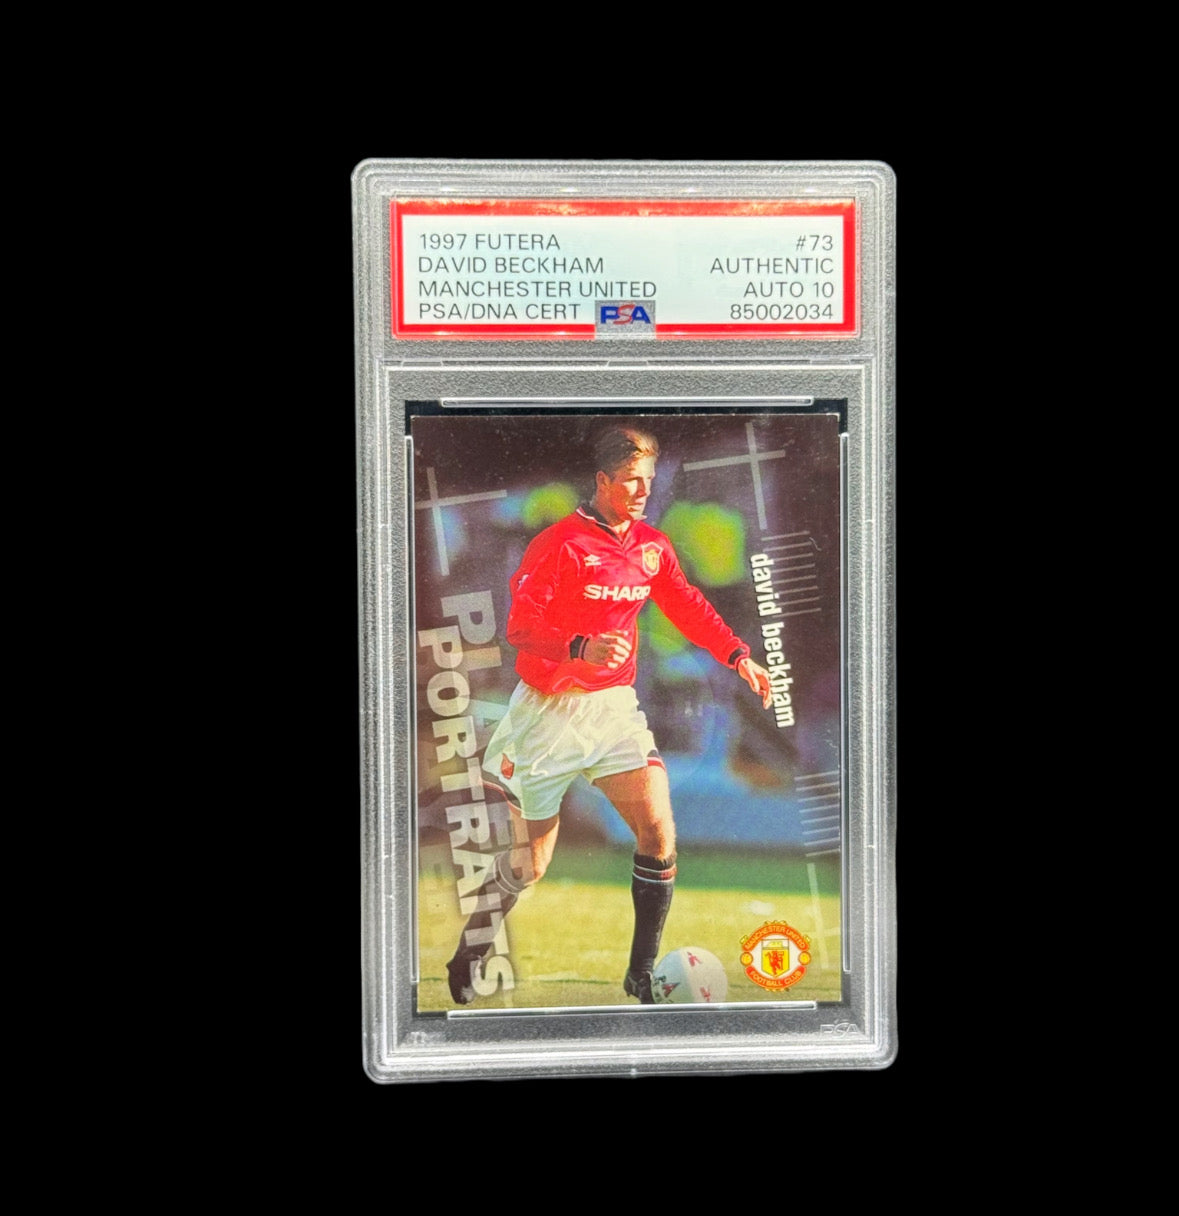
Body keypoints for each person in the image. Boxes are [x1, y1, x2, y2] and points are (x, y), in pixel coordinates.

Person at [446, 425, 773, 1005]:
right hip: (548, 715)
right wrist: (580, 646)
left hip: (614, 709)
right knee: (531, 864)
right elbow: (520, 627)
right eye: (629, 481)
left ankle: (641, 974)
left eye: (648, 480)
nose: (642, 491)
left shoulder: (652, 546)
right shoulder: (559, 545)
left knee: (658, 831)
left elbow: (686, 604)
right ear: (602, 480)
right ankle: (471, 949)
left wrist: (736, 655)